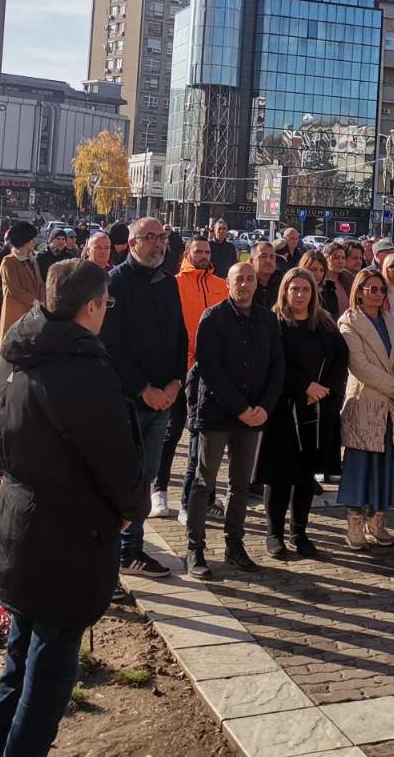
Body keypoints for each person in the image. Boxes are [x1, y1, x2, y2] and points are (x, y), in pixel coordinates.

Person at [0, 259, 145, 757]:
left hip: (20, 521)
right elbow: (114, 454)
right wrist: (127, 508)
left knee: (19, 659)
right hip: (66, 536)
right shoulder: (79, 367)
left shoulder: (17, 352)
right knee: (49, 673)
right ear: (93, 306)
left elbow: (1, 432)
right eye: (106, 305)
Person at [185, 262, 286, 578]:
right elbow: (209, 368)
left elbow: (277, 366)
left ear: (257, 284)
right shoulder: (213, 317)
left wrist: (265, 407)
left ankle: (234, 545)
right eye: (238, 279)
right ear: (227, 283)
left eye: (250, 279)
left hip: (254, 416)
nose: (244, 284)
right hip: (217, 414)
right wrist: (240, 408)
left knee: (240, 485)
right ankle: (195, 548)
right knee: (204, 482)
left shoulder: (268, 319)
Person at [102, 218, 186, 579]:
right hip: (130, 401)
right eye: (149, 238)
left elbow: (181, 337)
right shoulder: (115, 283)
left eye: (162, 237)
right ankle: (120, 552)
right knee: (126, 479)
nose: (158, 244)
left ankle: (132, 550)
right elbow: (111, 346)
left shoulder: (168, 282)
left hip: (164, 398)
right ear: (133, 243)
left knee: (147, 477)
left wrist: (175, 384)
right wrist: (144, 389)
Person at [258, 267, 347, 559]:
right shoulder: (273, 323)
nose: (299, 294)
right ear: (285, 291)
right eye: (294, 289)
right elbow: (273, 363)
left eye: (305, 289)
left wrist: (323, 389)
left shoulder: (324, 324)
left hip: (316, 410)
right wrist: (303, 386)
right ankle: (274, 534)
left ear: (313, 293)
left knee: (305, 475)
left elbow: (339, 360)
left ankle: (299, 531)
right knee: (279, 475)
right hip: (283, 409)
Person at [339, 267, 394, 549]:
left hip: (393, 405)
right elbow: (360, 366)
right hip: (365, 402)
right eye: (372, 289)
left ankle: (377, 519)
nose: (378, 294)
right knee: (361, 463)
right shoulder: (349, 322)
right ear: (359, 291)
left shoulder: (393, 321)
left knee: (386, 463)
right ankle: (355, 521)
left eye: (381, 289)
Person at [156, 238, 226, 520]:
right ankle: (159, 489)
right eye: (199, 252)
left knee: (205, 434)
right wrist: (187, 361)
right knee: (173, 431)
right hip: (182, 368)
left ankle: (206, 496)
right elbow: (170, 327)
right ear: (187, 254)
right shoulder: (173, 284)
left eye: (207, 252)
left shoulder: (221, 285)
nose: (204, 256)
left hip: (213, 371)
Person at [0, 222, 43, 344]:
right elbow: (14, 289)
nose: (34, 242)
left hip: (33, 314)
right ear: (24, 241)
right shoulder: (9, 262)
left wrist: (42, 303)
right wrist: (34, 301)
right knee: (13, 347)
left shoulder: (32, 260)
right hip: (15, 313)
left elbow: (39, 283)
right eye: (32, 239)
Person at [321, 243, 352, 318]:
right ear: (326, 259)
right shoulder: (320, 281)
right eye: (336, 257)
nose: (341, 261)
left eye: (343, 258)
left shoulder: (348, 278)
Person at [252, 239, 282, 310]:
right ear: (252, 261)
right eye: (263, 256)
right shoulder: (246, 284)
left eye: (272, 257)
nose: (268, 261)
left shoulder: (283, 283)